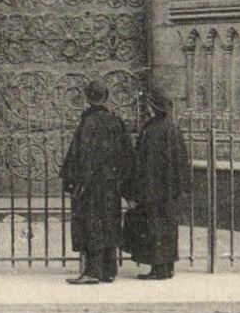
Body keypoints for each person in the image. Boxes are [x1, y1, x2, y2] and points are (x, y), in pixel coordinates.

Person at [60, 80, 134, 285]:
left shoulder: (88, 123)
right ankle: (109, 270)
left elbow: (80, 155)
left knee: (91, 225)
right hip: (110, 184)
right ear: (107, 96)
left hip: (91, 186)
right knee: (109, 223)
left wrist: (74, 181)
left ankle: (92, 271)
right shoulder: (115, 121)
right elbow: (127, 154)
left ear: (87, 97)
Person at [127, 86, 191, 280]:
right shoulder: (171, 126)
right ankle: (167, 265)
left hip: (153, 189)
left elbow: (145, 163)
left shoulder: (154, 129)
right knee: (167, 226)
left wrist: (137, 190)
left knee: (155, 227)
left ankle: (159, 268)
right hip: (169, 189)